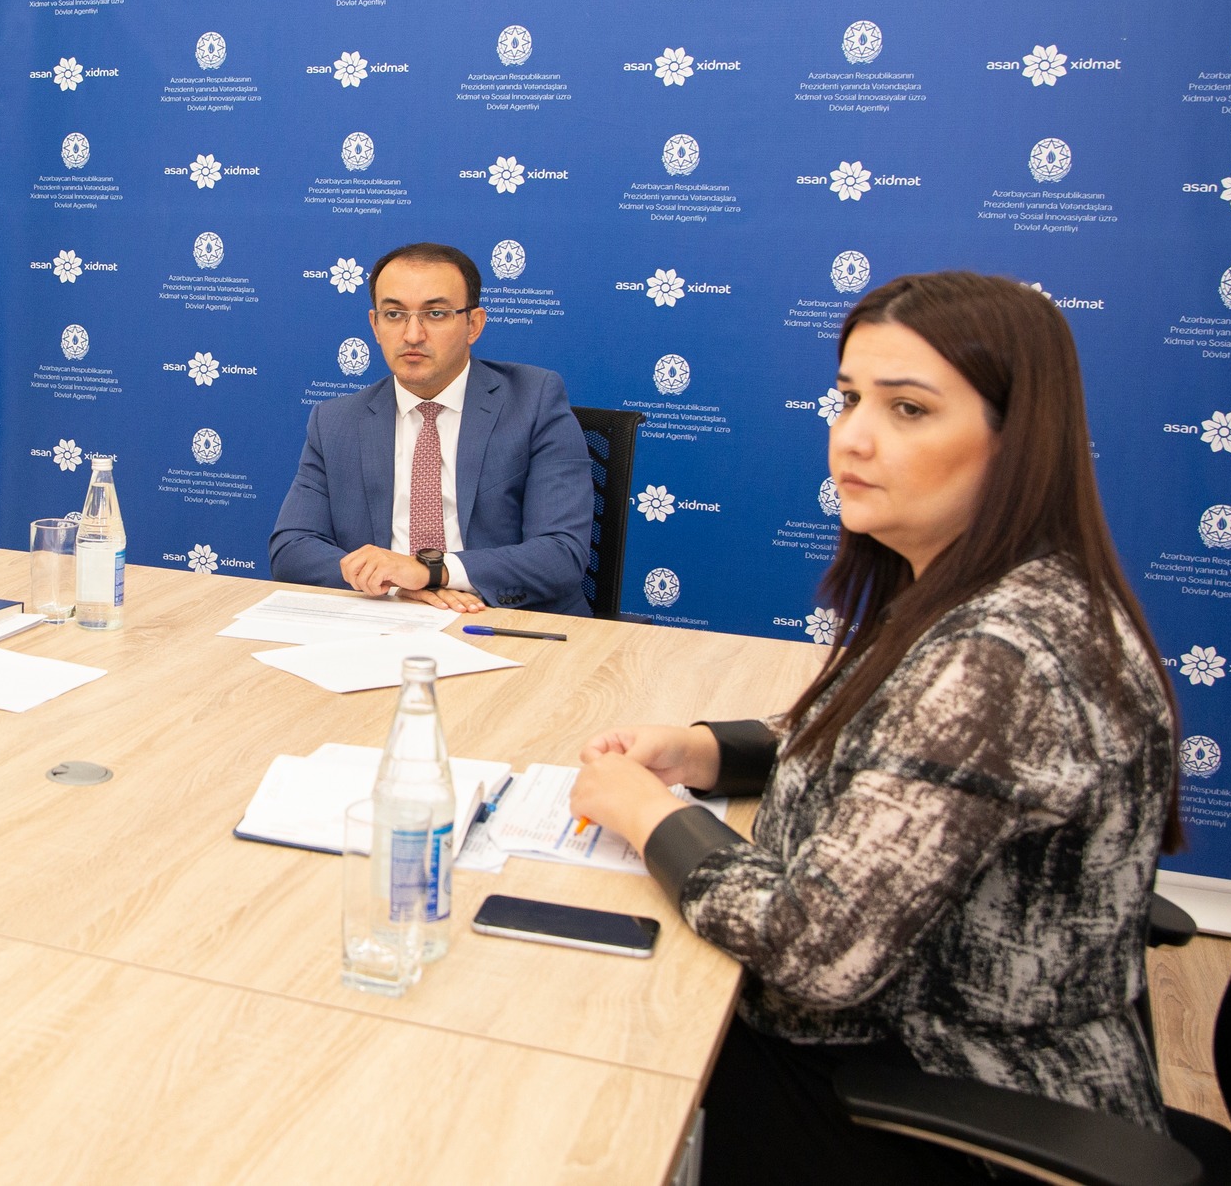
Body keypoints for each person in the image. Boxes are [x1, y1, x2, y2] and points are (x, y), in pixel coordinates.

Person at [568, 271, 1182, 1184]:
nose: (852, 436)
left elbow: (812, 950)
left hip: (956, 1105)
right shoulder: (978, 585)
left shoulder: (1004, 655)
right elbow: (889, 742)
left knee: (593, 1062)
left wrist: (649, 813)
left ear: (1017, 440)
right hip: (909, 1045)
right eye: (849, 398)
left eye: (909, 409)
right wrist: (702, 750)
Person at [268, 241, 591, 615]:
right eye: (394, 314)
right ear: (375, 325)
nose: (412, 335)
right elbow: (292, 548)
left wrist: (430, 572)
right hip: (385, 615)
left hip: (501, 618)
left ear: (473, 324)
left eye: (435, 314)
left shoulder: (533, 401)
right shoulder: (336, 420)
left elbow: (561, 552)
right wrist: (391, 583)